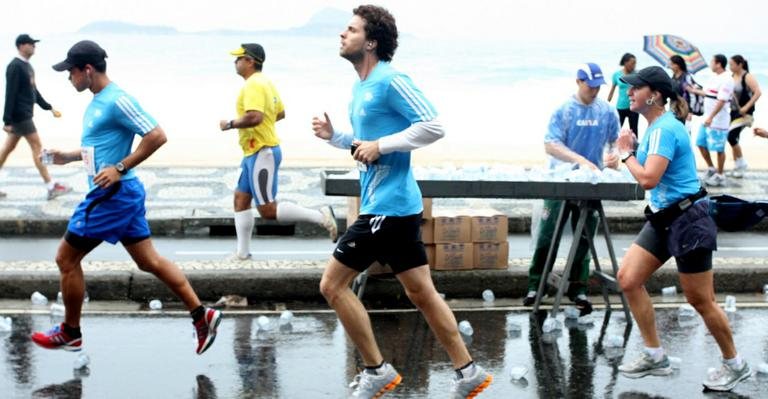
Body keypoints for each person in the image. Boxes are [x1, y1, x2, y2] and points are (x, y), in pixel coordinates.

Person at [311, 5, 492, 398]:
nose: (342, 35)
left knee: (332, 285)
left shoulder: (391, 80)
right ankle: (469, 372)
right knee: (421, 293)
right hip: (393, 205)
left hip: (386, 208)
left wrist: (382, 145)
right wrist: (336, 137)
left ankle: (376, 370)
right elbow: (367, 146)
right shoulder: (361, 87)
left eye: (351, 29)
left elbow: (433, 125)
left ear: (371, 42)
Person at [30, 40, 222, 355]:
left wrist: (120, 167)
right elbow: (101, 150)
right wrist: (66, 156)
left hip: (113, 195)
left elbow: (157, 135)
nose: (68, 78)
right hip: (123, 193)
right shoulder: (96, 101)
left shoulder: (118, 100)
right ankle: (203, 315)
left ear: (87, 70)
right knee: (150, 261)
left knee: (66, 258)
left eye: (71, 72)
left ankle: (70, 332)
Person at [616, 66, 751, 392]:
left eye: (637, 88)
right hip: (663, 218)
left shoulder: (665, 129)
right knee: (628, 278)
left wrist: (626, 155)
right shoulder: (654, 128)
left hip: (689, 220)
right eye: (630, 89)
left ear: (656, 95)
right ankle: (654, 354)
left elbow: (648, 178)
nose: (630, 93)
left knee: (701, 300)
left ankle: (735, 364)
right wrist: (626, 154)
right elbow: (646, 168)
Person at [220, 43, 338, 261]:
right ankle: (242, 254)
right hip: (253, 152)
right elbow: (280, 113)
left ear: (250, 61)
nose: (234, 62)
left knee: (267, 210)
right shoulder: (266, 83)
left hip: (262, 152)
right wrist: (260, 127)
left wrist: (230, 123)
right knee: (240, 199)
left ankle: (321, 216)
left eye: (238, 58)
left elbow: (255, 116)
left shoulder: (254, 85)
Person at [523, 63, 620, 314]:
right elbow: (550, 144)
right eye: (591, 86)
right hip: (561, 181)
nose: (595, 91)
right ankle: (537, 285)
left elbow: (615, 142)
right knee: (548, 235)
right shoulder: (564, 110)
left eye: (599, 87)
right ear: (578, 82)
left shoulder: (607, 111)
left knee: (584, 238)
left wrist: (614, 156)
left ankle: (579, 289)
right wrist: (580, 161)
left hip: (591, 184)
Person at [1, 34, 70, 200]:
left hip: (24, 114)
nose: (34, 46)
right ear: (21, 46)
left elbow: (33, 92)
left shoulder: (27, 66)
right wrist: (7, 120)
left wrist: (48, 107)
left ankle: (51, 185)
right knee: (37, 147)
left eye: (34, 44)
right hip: (21, 116)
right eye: (31, 44)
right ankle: (51, 186)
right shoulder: (15, 66)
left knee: (7, 149)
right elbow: (10, 93)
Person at [689, 54, 734, 187]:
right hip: (707, 118)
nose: (710, 64)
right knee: (700, 143)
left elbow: (721, 100)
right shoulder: (714, 77)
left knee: (719, 149)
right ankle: (711, 168)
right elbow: (708, 93)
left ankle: (720, 174)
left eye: (712, 62)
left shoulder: (727, 79)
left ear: (718, 64)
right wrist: (692, 90)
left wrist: (711, 117)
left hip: (719, 120)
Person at [726, 55, 761, 178]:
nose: (729, 67)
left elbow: (758, 92)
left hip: (746, 114)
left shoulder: (747, 76)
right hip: (733, 112)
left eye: (731, 64)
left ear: (740, 64)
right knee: (734, 138)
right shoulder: (731, 77)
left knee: (731, 136)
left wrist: (747, 106)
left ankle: (742, 163)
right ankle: (738, 166)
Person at [607, 53, 639, 136]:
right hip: (620, 106)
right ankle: (615, 148)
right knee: (617, 130)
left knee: (634, 131)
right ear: (625, 62)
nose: (634, 66)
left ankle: (634, 148)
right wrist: (607, 103)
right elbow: (612, 89)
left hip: (634, 106)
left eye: (635, 63)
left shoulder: (637, 75)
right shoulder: (616, 75)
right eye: (632, 63)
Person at [669, 55, 699, 124]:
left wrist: (690, 111)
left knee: (683, 129)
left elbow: (693, 95)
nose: (670, 67)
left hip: (684, 109)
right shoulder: (673, 77)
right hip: (673, 108)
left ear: (678, 65)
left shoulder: (686, 77)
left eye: (672, 64)